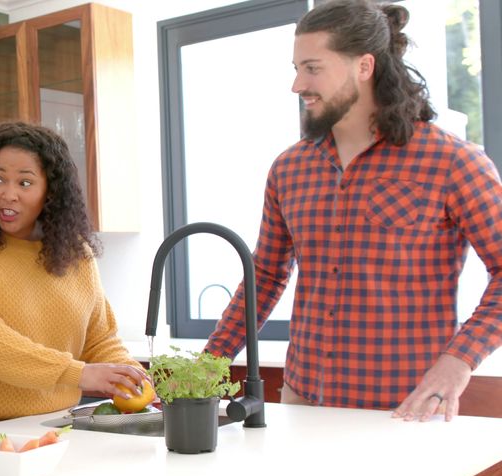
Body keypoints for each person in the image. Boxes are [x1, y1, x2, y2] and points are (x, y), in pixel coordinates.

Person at [204, 0, 502, 422]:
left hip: (405, 411)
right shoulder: (289, 168)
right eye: (295, 68)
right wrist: (206, 365)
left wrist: (460, 360)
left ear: (364, 66)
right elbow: (265, 277)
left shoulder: (453, 162)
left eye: (312, 68)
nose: (297, 85)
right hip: (303, 401)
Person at [0, 122, 148, 438]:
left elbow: (99, 339)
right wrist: (77, 373)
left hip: (50, 423)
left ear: (51, 191)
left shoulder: (74, 251)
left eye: (25, 182)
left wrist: (128, 376)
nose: (9, 194)